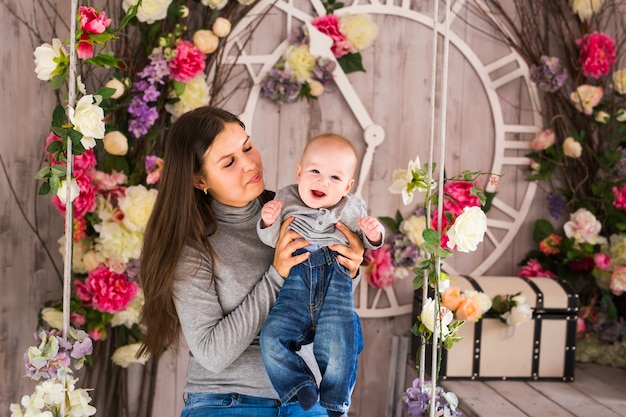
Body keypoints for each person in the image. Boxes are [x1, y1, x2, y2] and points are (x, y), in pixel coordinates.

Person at [137, 106, 365, 417]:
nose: (249, 164)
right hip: (227, 400)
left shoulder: (298, 211)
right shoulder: (193, 245)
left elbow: (325, 305)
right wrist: (276, 275)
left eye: (247, 147)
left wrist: (349, 269)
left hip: (306, 398)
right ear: (198, 179)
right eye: (229, 162)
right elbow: (212, 353)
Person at [257, 134, 384, 417]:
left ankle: (336, 400)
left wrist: (374, 234)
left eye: (335, 178)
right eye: (315, 171)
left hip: (334, 279)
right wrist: (267, 219)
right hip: (296, 283)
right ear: (299, 171)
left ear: (348, 186)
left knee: (340, 342)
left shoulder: (350, 208)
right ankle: (299, 383)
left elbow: (363, 242)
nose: (322, 182)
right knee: (272, 337)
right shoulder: (285, 199)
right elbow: (269, 239)